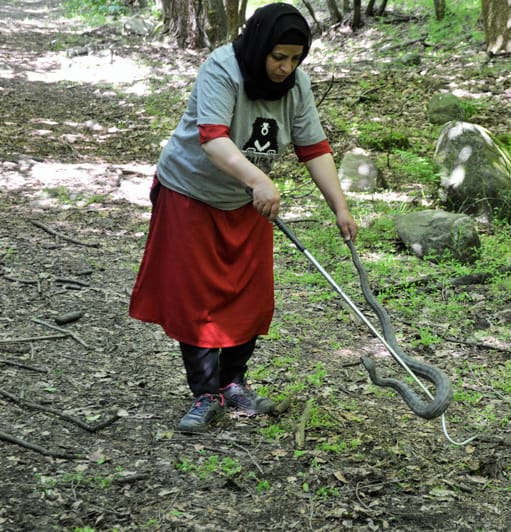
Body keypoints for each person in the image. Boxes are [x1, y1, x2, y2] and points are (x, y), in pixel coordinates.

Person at [129, 3, 357, 433]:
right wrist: (258, 179)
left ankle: (233, 382)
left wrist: (340, 207)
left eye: (295, 58)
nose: (286, 67)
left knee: (249, 296)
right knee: (196, 297)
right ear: (258, 47)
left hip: (246, 200)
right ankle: (206, 393)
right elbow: (213, 138)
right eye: (278, 57)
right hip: (191, 192)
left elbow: (313, 147)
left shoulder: (296, 85)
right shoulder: (223, 68)